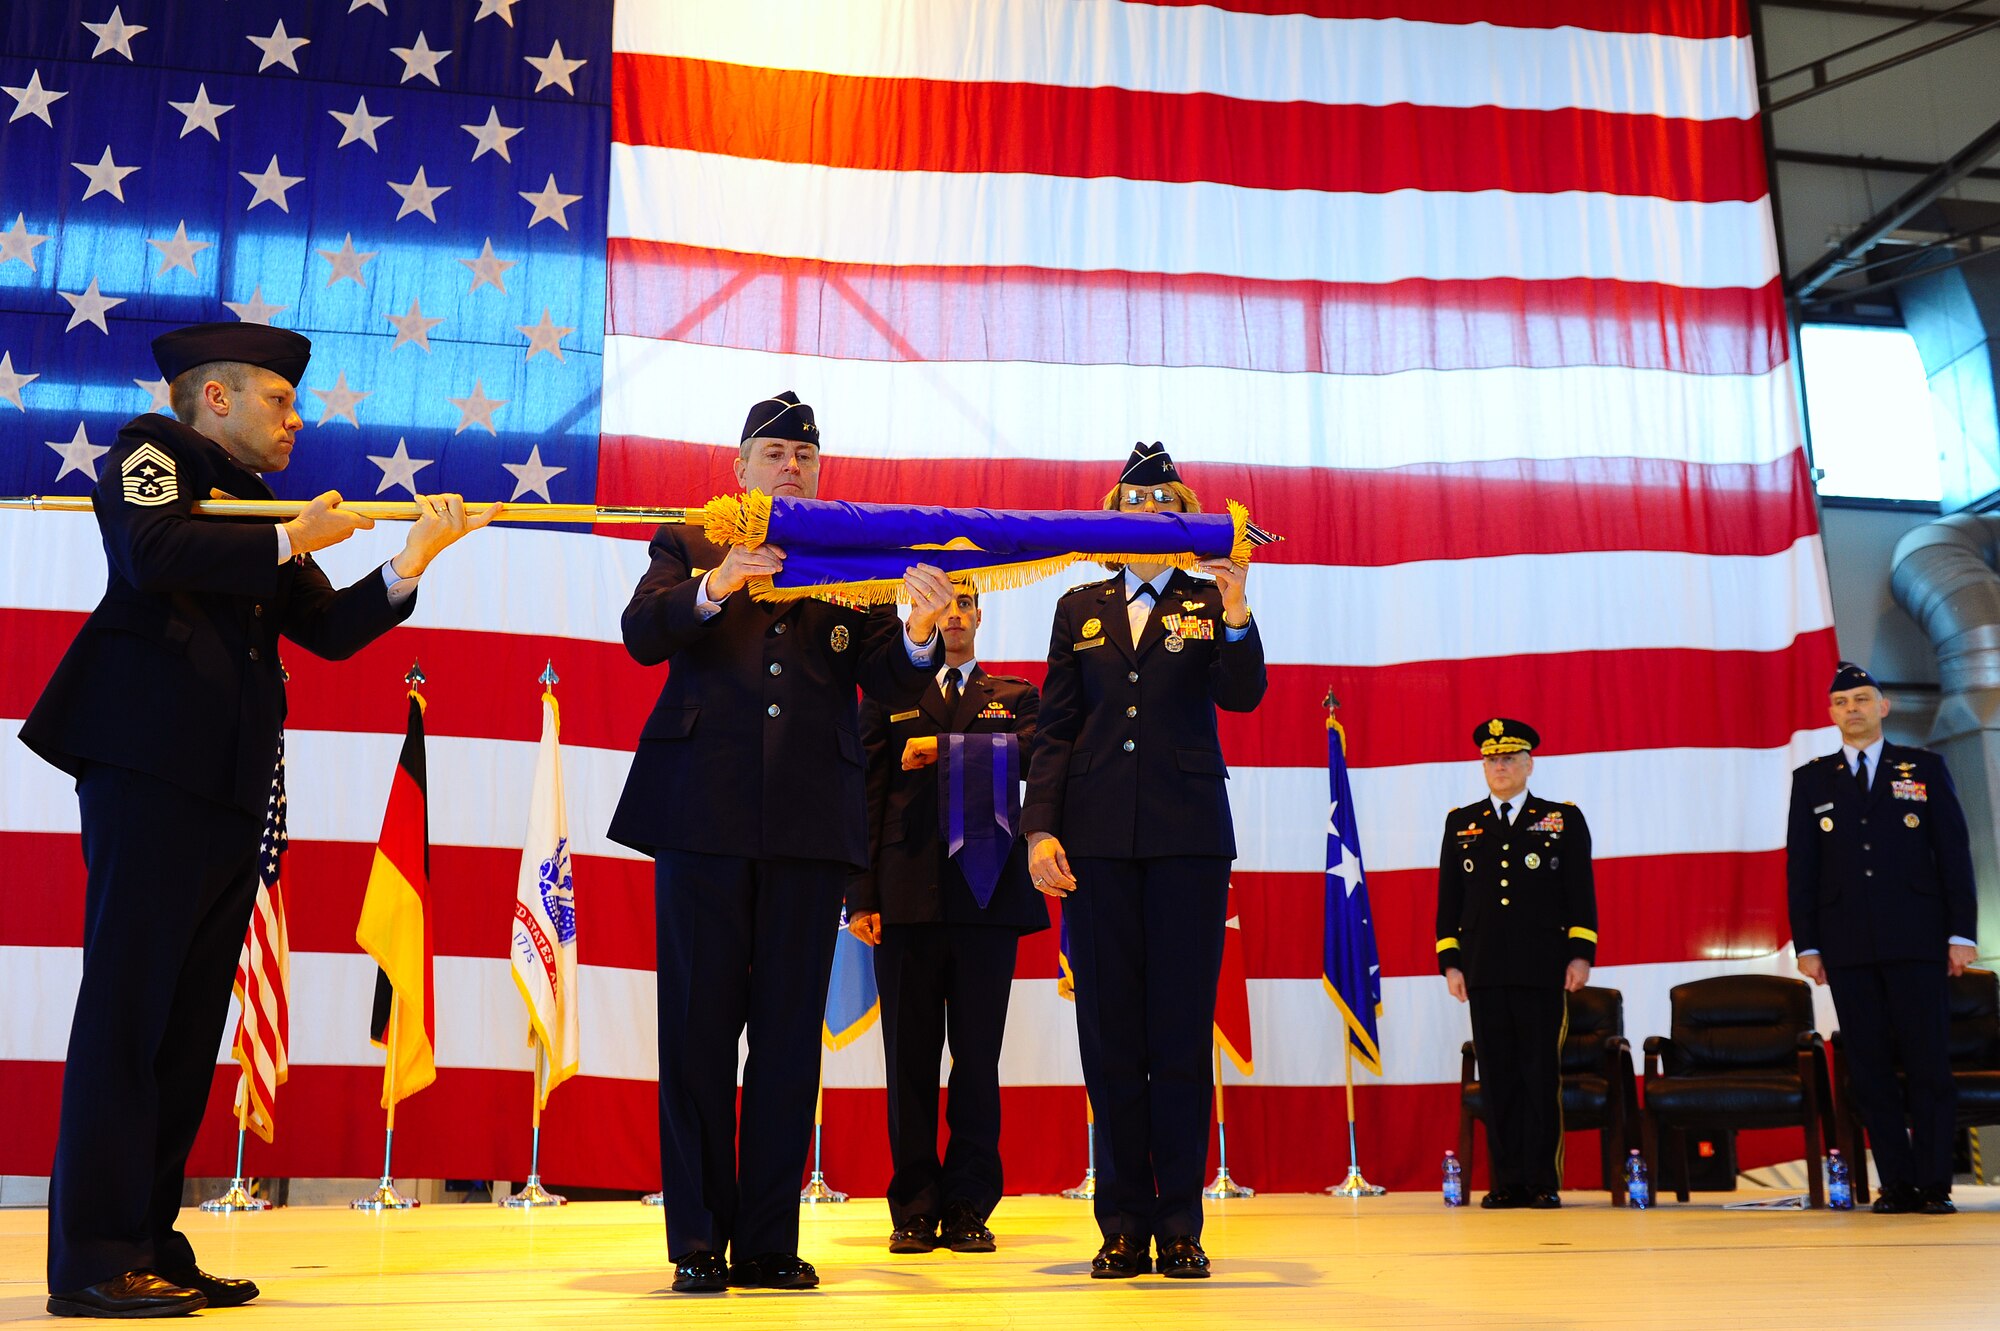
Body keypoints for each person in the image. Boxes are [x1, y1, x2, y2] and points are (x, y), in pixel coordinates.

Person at [20, 322, 497, 1319]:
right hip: (146, 765)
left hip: (227, 781)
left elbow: (323, 630)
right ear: (219, 398)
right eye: (280, 401)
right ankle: (93, 1257)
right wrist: (286, 538)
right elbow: (151, 553)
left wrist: (411, 560)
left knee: (187, 1027)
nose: (297, 419)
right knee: (128, 1014)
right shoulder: (153, 449)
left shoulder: (252, 503)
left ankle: (150, 1236)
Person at [607, 391, 955, 1293]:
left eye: (804, 454)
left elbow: (887, 676)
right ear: (739, 465)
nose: (790, 466)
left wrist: (918, 633)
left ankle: (767, 1237)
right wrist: (718, 584)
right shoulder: (689, 541)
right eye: (773, 452)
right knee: (694, 1033)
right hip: (701, 816)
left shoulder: (851, 557)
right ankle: (697, 1240)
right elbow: (642, 632)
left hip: (807, 820)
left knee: (790, 1037)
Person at [1023, 441, 1265, 1279]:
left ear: (1186, 517)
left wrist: (1238, 618)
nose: (1148, 517)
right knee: (1110, 1035)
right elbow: (1055, 728)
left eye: (1164, 505)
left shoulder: (1209, 598)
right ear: (1109, 520)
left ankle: (1180, 1224)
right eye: (1132, 505)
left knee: (1177, 1038)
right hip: (1094, 843)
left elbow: (1242, 694)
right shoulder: (1077, 606)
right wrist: (1039, 830)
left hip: (1188, 841)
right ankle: (1122, 1220)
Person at [847, 584, 1045, 1255]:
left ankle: (967, 1205)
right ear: (919, 615)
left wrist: (940, 748)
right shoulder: (886, 691)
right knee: (907, 1060)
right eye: (944, 604)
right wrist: (860, 895)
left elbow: (1039, 754)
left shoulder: (1015, 695)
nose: (954, 613)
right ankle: (914, 1207)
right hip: (903, 899)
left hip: (986, 902)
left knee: (977, 1059)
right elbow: (865, 793)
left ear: (980, 615)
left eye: (965, 602)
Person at [1787, 661, 1977, 1215]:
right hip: (1848, 946)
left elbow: (1954, 855)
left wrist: (1961, 933)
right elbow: (1802, 867)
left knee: (1927, 1066)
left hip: (1918, 940)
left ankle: (1935, 1183)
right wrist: (1809, 944)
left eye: (1863, 700)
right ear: (1831, 714)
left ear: (1883, 707)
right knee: (1869, 1069)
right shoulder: (1813, 779)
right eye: (1843, 703)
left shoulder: (1923, 767)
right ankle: (1895, 1182)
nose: (1853, 710)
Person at [1435, 718, 1597, 1210]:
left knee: (1538, 1075)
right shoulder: (1461, 822)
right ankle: (1506, 1180)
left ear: (1529, 763)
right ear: (1483, 766)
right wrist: (1451, 962)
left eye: (1509, 758)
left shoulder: (1561, 819)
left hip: (1542, 968)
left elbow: (1580, 893)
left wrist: (1580, 953)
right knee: (1499, 1076)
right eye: (1491, 758)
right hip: (1483, 970)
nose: (1499, 766)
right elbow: (1449, 899)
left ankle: (1541, 1179)